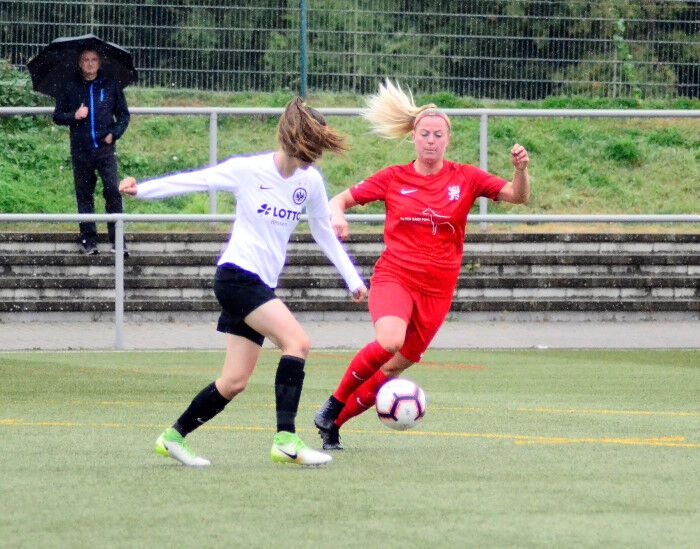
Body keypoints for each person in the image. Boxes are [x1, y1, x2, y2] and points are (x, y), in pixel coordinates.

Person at [118, 97, 367, 467]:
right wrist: (142, 189)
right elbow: (197, 180)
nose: (315, 156)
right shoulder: (248, 170)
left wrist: (352, 279)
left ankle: (172, 438)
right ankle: (286, 440)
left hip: (259, 284)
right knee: (297, 342)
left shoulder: (310, 181)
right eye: (313, 145)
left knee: (234, 381)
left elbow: (323, 232)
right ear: (295, 138)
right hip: (236, 276)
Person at [314, 80, 530, 450]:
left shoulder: (465, 177)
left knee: (393, 367)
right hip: (395, 277)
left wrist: (520, 170)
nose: (431, 140)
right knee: (389, 341)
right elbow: (339, 200)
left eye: (438, 135)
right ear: (413, 137)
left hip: (437, 290)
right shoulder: (393, 177)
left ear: (448, 140)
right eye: (425, 134)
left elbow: (517, 196)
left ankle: (333, 424)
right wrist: (337, 216)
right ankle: (333, 402)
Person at [53, 47, 130, 255]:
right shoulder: (70, 86)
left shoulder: (110, 85)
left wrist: (114, 134)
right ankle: (88, 240)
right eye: (85, 60)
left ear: (99, 63)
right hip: (81, 149)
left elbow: (124, 115)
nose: (89, 63)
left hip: (105, 149)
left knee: (112, 191)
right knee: (84, 195)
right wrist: (74, 115)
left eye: (93, 59)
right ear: (79, 63)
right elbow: (57, 116)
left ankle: (118, 241)